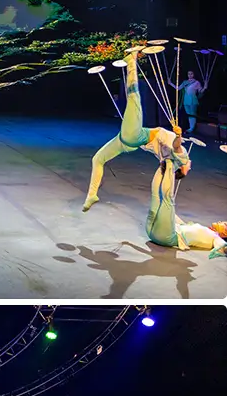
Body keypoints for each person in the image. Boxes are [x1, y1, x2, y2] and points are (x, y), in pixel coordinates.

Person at [82, 49, 182, 213]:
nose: (189, 166)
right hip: (125, 141)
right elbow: (175, 151)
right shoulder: (172, 156)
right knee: (97, 159)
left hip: (134, 136)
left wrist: (178, 135)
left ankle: (132, 60)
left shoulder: (177, 154)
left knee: (134, 97)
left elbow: (177, 147)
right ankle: (92, 195)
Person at [145, 124, 226, 256]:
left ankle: (169, 163)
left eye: (225, 226)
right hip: (156, 230)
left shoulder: (216, 238)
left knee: (167, 199)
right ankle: (164, 165)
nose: (221, 222)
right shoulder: (201, 227)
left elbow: (223, 247)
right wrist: (170, 214)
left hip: (166, 236)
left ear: (224, 234)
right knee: (156, 195)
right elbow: (178, 222)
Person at [169, 69, 205, 134]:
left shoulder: (196, 82)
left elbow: (200, 91)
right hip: (186, 100)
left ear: (194, 74)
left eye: (191, 74)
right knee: (189, 115)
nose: (190, 75)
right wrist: (170, 83)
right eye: (189, 74)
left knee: (192, 114)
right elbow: (178, 88)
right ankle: (190, 127)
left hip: (193, 100)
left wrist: (205, 87)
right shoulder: (185, 82)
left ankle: (192, 128)